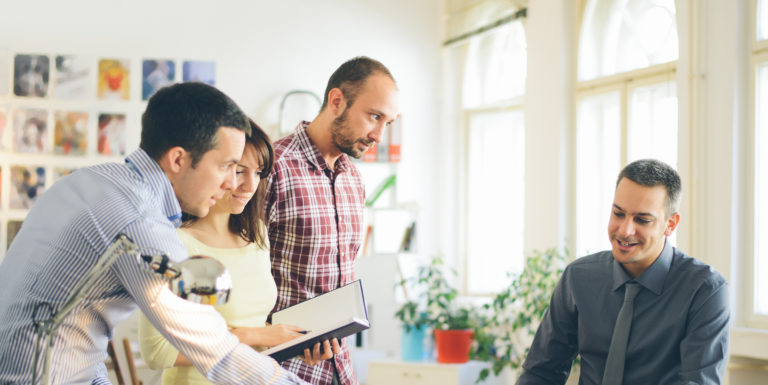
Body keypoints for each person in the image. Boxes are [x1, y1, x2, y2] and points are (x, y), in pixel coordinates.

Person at [0, 82, 306, 385]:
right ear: (178, 160)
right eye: (227, 166)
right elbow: (215, 351)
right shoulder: (140, 224)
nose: (231, 183)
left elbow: (76, 332)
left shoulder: (91, 180)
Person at [138, 120, 334, 385]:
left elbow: (253, 327)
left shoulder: (257, 237)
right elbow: (157, 352)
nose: (250, 186)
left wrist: (293, 343)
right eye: (240, 171)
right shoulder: (175, 244)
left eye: (259, 172)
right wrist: (254, 336)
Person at [516, 159, 730, 385]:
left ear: (670, 224)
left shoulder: (706, 291)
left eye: (642, 220)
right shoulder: (578, 278)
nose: (625, 230)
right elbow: (541, 373)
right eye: (618, 214)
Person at [265, 56, 399, 385]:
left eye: (388, 123)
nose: (379, 135)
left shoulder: (353, 178)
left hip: (340, 370)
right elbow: (239, 277)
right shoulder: (273, 167)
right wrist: (278, 336)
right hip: (282, 371)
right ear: (336, 101)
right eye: (374, 116)